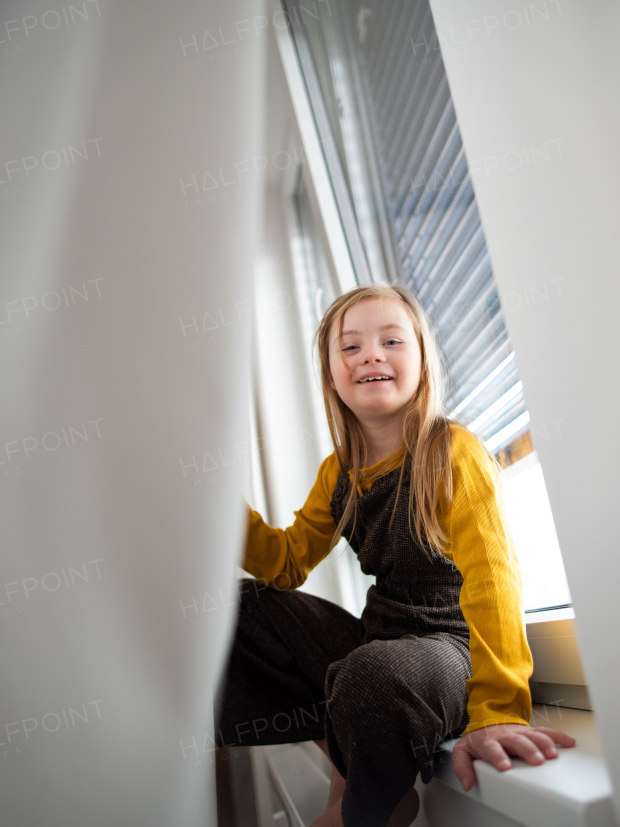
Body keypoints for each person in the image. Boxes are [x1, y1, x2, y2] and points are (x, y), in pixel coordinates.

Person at [215, 284, 575, 827]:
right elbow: (285, 563)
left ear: (423, 361)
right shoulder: (338, 472)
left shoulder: (453, 452)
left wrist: (498, 712)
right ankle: (364, 768)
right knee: (239, 609)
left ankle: (365, 808)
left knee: (372, 674)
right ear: (332, 374)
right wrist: (220, 507)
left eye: (391, 340)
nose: (372, 355)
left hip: (447, 647)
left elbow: (492, 581)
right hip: (377, 636)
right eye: (351, 347)